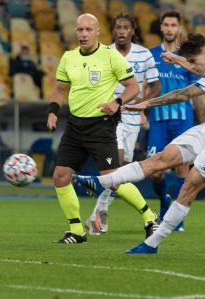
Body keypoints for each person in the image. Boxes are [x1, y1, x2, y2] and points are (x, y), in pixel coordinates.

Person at [74, 33, 205, 254]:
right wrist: (176, 58)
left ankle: (151, 244)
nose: (194, 66)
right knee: (161, 158)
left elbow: (184, 93)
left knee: (189, 186)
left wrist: (146, 103)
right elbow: (197, 69)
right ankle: (100, 182)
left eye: (194, 60)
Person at [47, 13, 159, 244]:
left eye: (88, 29)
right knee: (60, 176)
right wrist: (52, 111)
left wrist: (116, 103)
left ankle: (150, 217)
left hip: (101, 126)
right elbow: (60, 89)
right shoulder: (68, 58)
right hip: (75, 126)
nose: (84, 34)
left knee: (112, 180)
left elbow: (133, 87)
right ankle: (77, 231)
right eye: (80, 30)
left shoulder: (111, 56)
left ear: (98, 32)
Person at [85, 13, 161, 235]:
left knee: (121, 169)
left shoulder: (144, 54)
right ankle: (101, 216)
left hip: (132, 118)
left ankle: (98, 214)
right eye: (117, 27)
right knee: (116, 162)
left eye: (125, 27)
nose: (121, 31)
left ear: (132, 31)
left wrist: (142, 104)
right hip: (109, 116)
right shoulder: (103, 53)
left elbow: (156, 86)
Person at [147, 11, 205, 231]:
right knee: (156, 172)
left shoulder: (187, 57)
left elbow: (197, 93)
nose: (170, 29)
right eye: (166, 25)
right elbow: (147, 87)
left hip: (183, 121)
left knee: (183, 170)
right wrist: (142, 112)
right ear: (161, 28)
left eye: (174, 25)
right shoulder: (151, 55)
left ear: (179, 28)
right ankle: (164, 201)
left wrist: (202, 125)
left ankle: (176, 218)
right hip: (158, 121)